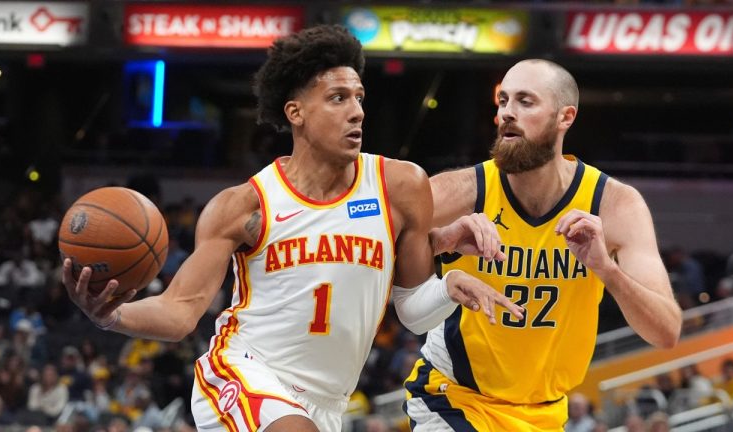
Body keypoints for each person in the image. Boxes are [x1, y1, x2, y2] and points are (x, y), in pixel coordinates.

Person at [62, 25, 523, 432]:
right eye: (338, 98)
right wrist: (110, 316)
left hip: (326, 404)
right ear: (295, 112)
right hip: (243, 371)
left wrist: (451, 285)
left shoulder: (400, 186)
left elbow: (414, 312)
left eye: (359, 97)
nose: (357, 111)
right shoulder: (243, 205)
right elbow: (181, 313)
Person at [404, 59, 682, 431]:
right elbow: (371, 251)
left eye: (525, 102)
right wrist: (439, 241)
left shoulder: (614, 205)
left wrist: (606, 270)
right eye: (503, 101)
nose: (506, 113)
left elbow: (666, 332)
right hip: (454, 396)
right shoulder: (463, 191)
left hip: (546, 413)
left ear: (565, 117)